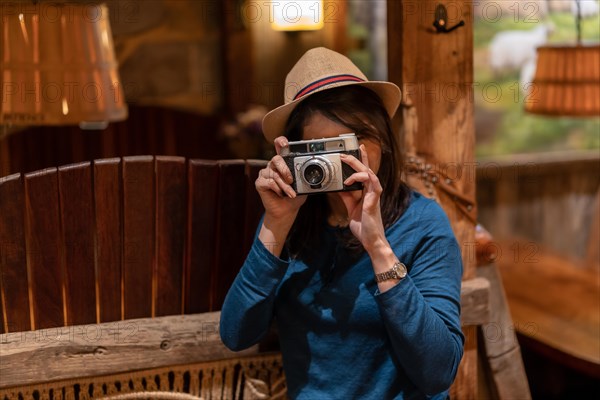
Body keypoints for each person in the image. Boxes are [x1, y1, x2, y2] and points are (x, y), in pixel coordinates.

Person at [220, 47, 464, 400]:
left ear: (383, 139)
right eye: (324, 147)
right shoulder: (290, 219)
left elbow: (438, 371)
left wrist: (378, 247)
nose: (344, 158)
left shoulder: (423, 224)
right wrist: (274, 225)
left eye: (354, 140)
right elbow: (236, 334)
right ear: (298, 154)